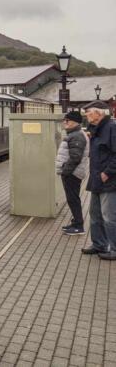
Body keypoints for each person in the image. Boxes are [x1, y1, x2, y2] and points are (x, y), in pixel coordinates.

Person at [80, 100, 116, 260]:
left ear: (98, 113)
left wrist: (107, 173)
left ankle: (114, 249)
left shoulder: (112, 128)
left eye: (88, 112)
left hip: (108, 180)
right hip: (96, 179)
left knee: (109, 216)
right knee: (95, 214)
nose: (86, 116)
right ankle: (99, 244)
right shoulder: (96, 129)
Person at [55, 110, 89, 235]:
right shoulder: (75, 134)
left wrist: (65, 171)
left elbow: (75, 157)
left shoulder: (77, 135)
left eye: (67, 120)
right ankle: (76, 222)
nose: (65, 122)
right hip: (72, 173)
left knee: (73, 199)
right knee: (72, 199)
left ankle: (79, 226)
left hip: (72, 174)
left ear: (75, 122)